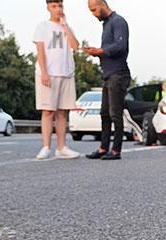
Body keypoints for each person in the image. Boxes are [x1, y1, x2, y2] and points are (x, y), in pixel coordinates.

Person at [33, 0, 80, 160]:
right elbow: (40, 51)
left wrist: (65, 26)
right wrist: (44, 73)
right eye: (54, 6)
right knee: (48, 111)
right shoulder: (42, 27)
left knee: (63, 112)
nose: (58, 9)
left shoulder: (66, 27)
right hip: (48, 74)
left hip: (66, 73)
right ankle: (46, 146)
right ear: (48, 8)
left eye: (60, 6)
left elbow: (75, 46)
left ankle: (62, 147)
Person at [83, 0, 131, 161]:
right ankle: (104, 147)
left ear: (102, 5)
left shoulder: (118, 22)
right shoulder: (106, 24)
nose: (93, 14)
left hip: (119, 74)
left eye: (94, 9)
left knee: (115, 114)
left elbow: (121, 46)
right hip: (108, 75)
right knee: (104, 113)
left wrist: (101, 51)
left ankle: (116, 150)